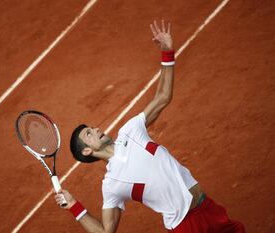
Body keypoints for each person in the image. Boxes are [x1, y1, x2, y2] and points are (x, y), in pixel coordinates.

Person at [54, 20, 245, 233]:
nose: (96, 129)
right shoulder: (112, 184)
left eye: (92, 127)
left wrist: (168, 55)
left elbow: (163, 97)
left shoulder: (130, 130)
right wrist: (73, 206)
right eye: (89, 133)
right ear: (87, 151)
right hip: (186, 226)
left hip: (208, 208)